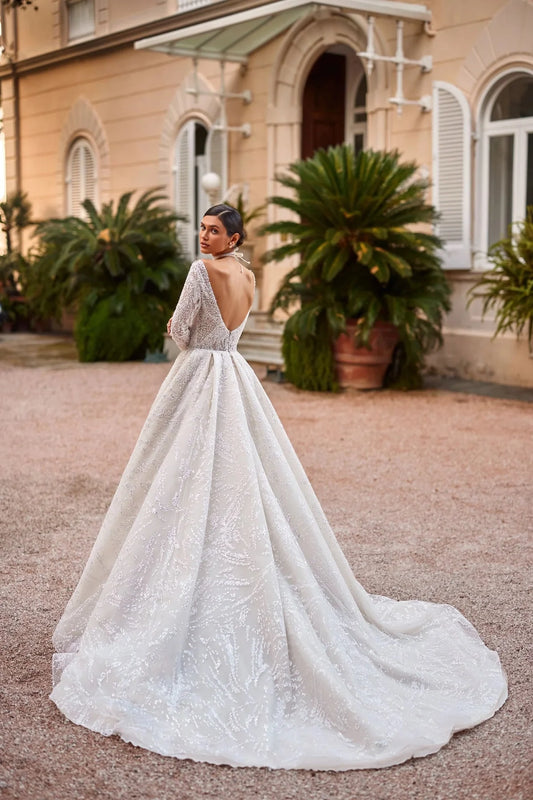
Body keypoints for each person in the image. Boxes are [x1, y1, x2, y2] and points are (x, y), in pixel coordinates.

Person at [50, 203, 507, 771]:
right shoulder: (248, 274)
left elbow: (180, 330)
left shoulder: (202, 270)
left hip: (198, 378)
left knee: (182, 480)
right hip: (236, 378)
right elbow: (232, 329)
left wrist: (181, 328)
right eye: (204, 228)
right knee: (247, 479)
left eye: (213, 230)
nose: (204, 234)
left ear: (233, 236)